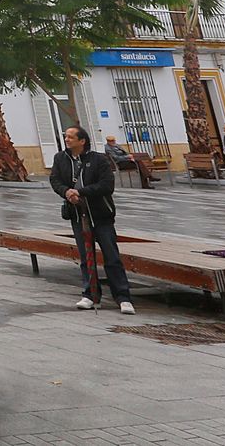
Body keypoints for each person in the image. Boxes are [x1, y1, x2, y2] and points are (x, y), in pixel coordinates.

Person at [49, 125, 134, 314]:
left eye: (71, 137)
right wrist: (67, 192)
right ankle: (90, 294)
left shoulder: (98, 160)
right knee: (86, 257)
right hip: (78, 216)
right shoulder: (60, 159)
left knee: (111, 256)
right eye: (66, 136)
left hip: (101, 215)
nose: (67, 139)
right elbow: (55, 180)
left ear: (82, 141)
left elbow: (106, 185)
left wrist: (81, 192)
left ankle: (123, 297)